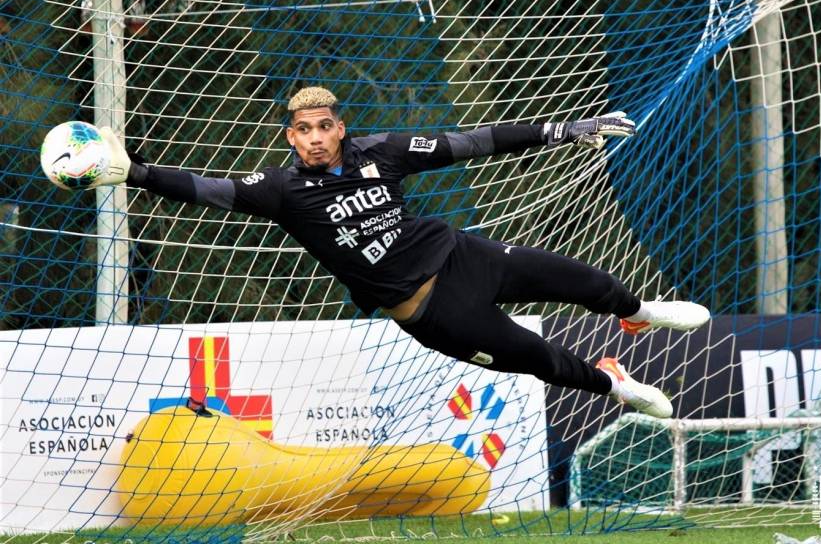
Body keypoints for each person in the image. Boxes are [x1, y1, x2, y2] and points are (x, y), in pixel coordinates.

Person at [89, 87, 711, 418]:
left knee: (584, 280)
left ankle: (639, 312)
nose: (313, 138)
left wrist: (562, 130)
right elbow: (208, 190)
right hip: (434, 313)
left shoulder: (380, 150)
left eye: (323, 126)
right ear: (290, 137)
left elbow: (472, 142)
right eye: (301, 130)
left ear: (339, 127)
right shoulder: (283, 190)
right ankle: (617, 388)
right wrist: (134, 172)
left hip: (464, 255)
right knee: (542, 359)